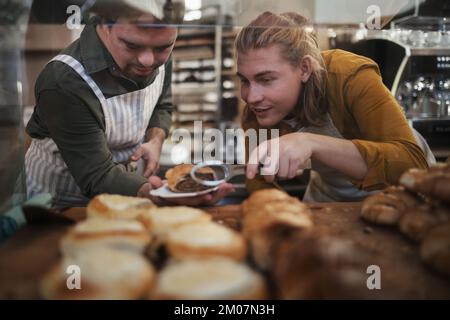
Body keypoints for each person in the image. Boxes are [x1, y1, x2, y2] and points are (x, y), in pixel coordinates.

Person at [25, 0, 232, 207]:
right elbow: (97, 175)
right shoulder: (64, 81)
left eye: (163, 47)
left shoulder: (158, 56)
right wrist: (159, 194)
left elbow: (162, 106)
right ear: (106, 25)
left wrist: (155, 140)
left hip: (131, 196)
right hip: (61, 206)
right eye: (132, 45)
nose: (147, 60)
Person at [235, 11, 432, 202]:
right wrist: (279, 209)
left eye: (267, 79)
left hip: (399, 193)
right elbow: (257, 179)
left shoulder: (349, 75)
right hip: (329, 194)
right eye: (245, 81)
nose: (251, 97)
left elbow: (411, 163)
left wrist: (310, 143)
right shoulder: (259, 113)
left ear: (304, 69)